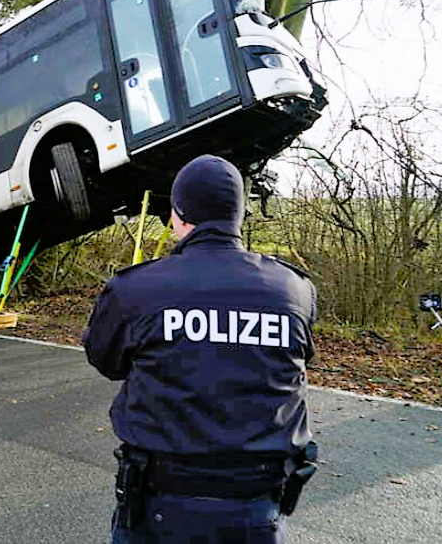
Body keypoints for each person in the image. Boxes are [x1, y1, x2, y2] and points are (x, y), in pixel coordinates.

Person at [83, 154, 318, 544]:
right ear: (239, 216)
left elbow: (105, 360)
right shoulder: (294, 289)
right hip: (257, 510)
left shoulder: (136, 289)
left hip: (159, 504)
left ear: (179, 215)